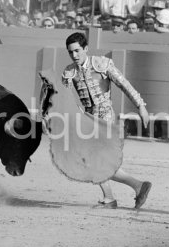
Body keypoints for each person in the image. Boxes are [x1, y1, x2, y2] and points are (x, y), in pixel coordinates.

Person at [62, 32, 151, 210]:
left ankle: (114, 196)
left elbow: (124, 84)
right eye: (71, 52)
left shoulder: (102, 64)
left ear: (86, 49)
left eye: (78, 51)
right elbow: (63, 97)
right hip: (88, 120)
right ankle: (136, 187)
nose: (74, 55)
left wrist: (140, 105)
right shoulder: (69, 71)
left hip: (105, 118)